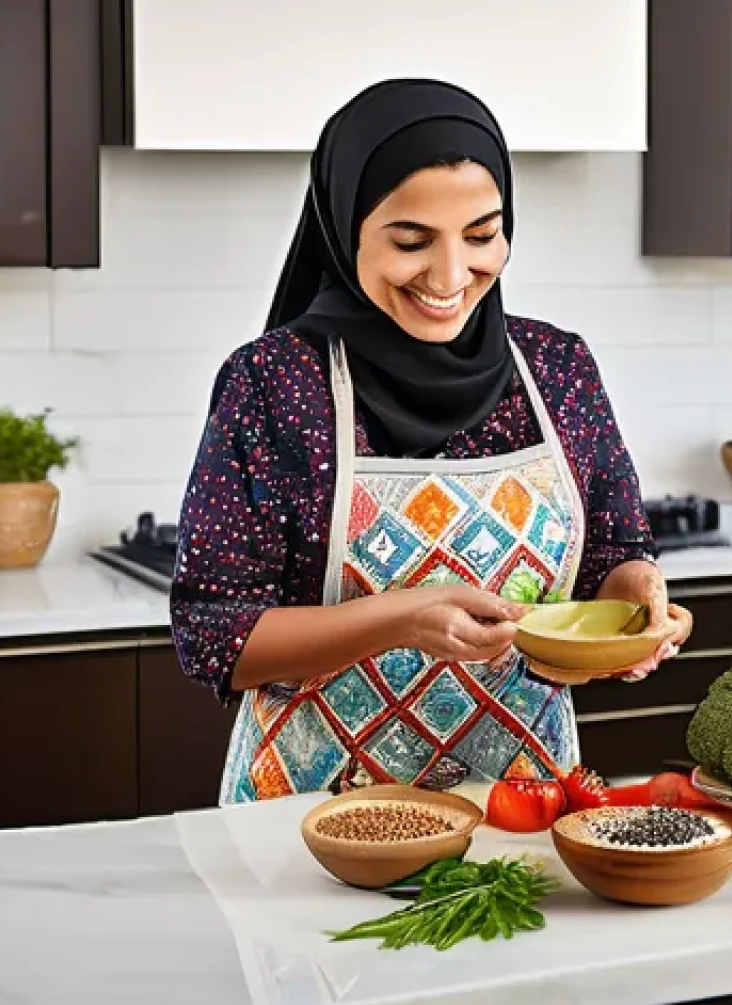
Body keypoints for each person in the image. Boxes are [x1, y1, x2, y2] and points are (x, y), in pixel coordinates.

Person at [170, 78, 693, 803]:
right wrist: (400, 620)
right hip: (307, 824)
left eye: (482, 235)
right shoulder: (273, 383)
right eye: (411, 242)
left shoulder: (557, 368)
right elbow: (215, 634)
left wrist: (635, 597)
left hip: (521, 808)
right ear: (344, 228)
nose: (451, 277)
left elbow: (612, 555)